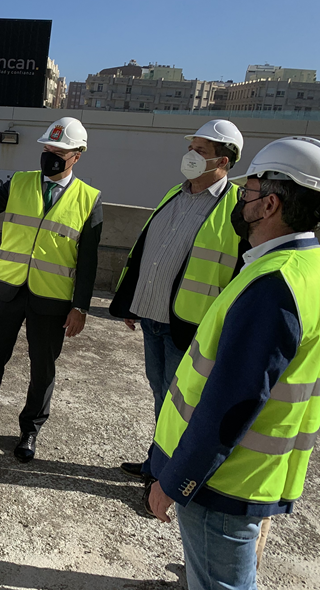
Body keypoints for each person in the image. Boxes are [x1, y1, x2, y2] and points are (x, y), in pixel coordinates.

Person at [146, 136, 320, 590]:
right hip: (249, 477)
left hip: (224, 486)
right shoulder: (312, 271)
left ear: (269, 204)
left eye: (248, 191)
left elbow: (229, 405)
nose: (241, 198)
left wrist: (177, 480)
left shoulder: (275, 286)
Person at [0, 117, 103, 462]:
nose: (50, 156)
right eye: (47, 149)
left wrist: (81, 307)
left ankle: (30, 430)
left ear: (76, 156)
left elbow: (89, 261)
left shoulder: (89, 199)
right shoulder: (19, 182)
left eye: (59, 151)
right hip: (7, 289)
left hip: (52, 298)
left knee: (43, 367)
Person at [109, 120, 247, 484]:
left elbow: (238, 273)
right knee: (161, 395)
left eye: (201, 151)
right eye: (191, 148)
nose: (191, 156)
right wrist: (133, 303)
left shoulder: (235, 209)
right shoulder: (175, 193)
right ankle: (158, 462)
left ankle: (169, 476)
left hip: (189, 327)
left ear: (224, 161)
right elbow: (149, 252)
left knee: (182, 405)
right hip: (153, 319)